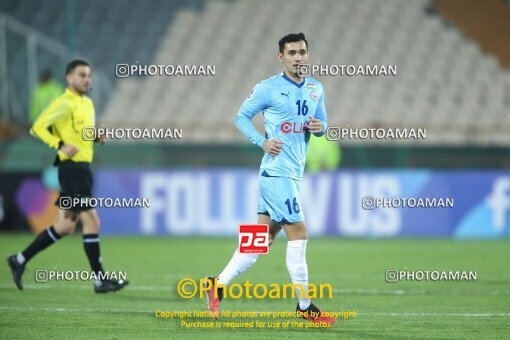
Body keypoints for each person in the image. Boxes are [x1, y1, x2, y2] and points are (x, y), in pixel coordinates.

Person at [204, 33, 335, 325]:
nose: (298, 57)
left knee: (261, 242)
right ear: (281, 57)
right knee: (299, 233)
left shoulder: (316, 88)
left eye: (302, 52)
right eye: (292, 53)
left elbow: (323, 124)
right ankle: (304, 306)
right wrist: (261, 141)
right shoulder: (268, 88)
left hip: (292, 173)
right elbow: (241, 117)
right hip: (276, 173)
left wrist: (318, 127)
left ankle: (217, 284)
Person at [7, 60, 129, 293]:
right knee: (92, 221)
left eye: (89, 75)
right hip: (72, 169)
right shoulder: (63, 103)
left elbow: (83, 132)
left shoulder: (87, 104)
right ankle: (100, 280)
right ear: (69, 78)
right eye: (82, 75)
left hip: (82, 169)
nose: (87, 79)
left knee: (64, 227)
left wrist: (96, 136)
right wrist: (59, 144)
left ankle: (19, 259)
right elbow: (38, 127)